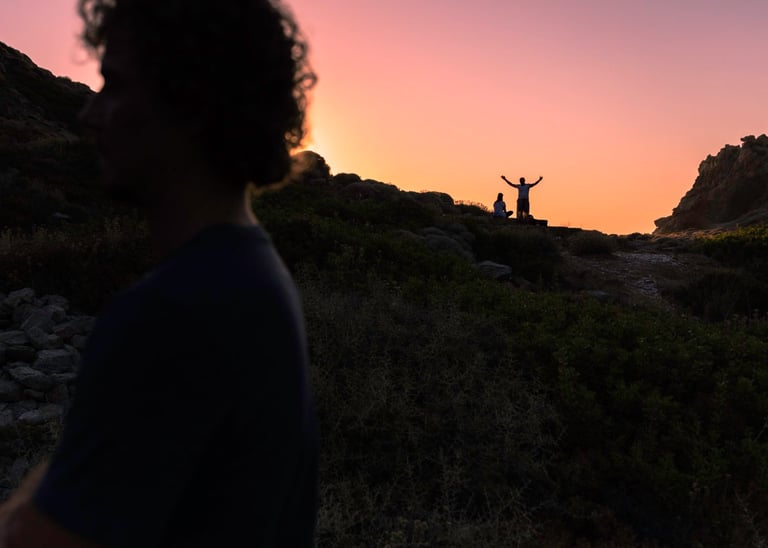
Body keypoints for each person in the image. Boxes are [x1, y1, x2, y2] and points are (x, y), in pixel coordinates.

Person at [0, 0, 319, 546]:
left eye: (116, 86)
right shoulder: (253, 274)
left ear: (192, 106)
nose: (89, 114)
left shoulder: (172, 312)